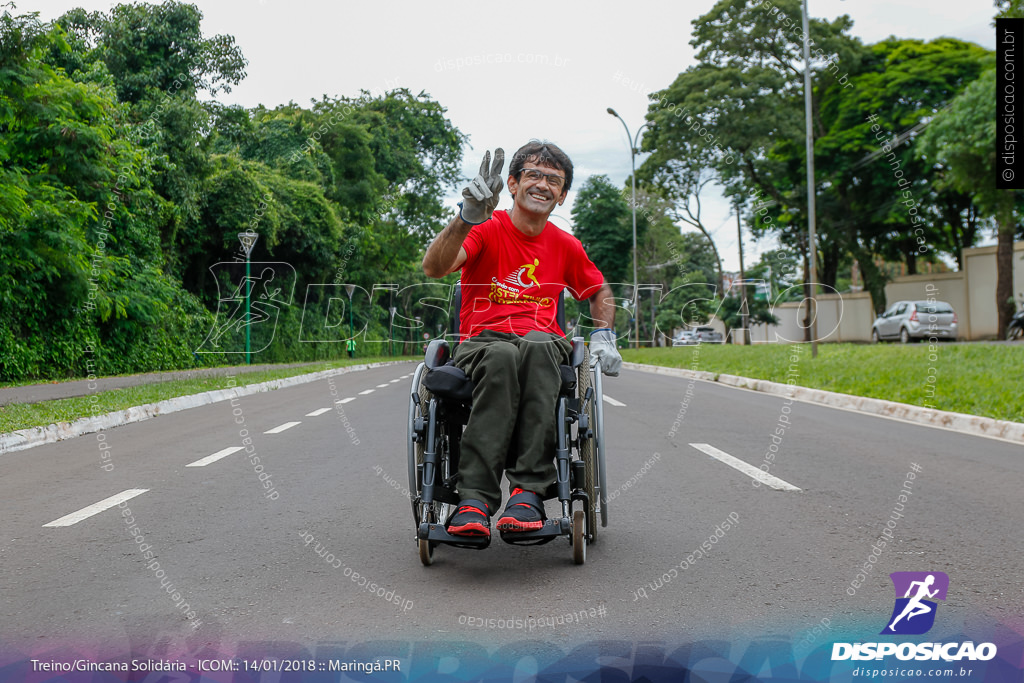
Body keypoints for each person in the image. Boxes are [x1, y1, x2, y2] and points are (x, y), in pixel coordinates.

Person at [421, 141, 621, 539]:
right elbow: (434, 266)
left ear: (562, 195)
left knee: (539, 344)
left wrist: (603, 332)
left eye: (553, 180)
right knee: (500, 355)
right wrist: (466, 218)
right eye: (533, 175)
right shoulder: (486, 229)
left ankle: (527, 492)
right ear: (512, 183)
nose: (543, 184)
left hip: (540, 342)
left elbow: (600, 291)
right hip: (481, 341)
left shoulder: (565, 245)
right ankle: (474, 499)